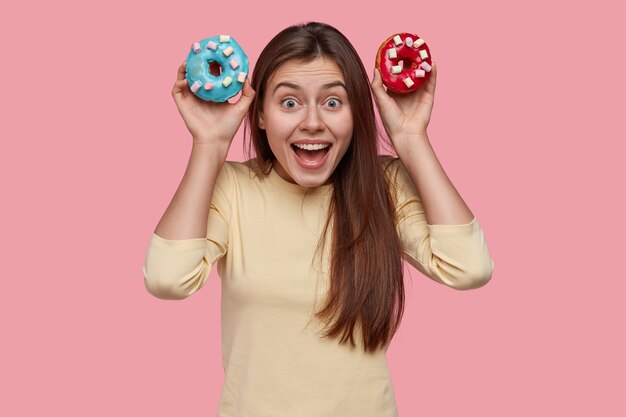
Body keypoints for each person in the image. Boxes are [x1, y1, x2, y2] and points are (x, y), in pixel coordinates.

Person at [143, 21, 494, 417]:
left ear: (356, 114)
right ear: (260, 115)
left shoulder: (384, 186)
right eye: (289, 103)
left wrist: (412, 138)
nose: (312, 122)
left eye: (332, 102)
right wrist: (209, 144)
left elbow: (469, 268)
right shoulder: (234, 188)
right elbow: (166, 279)